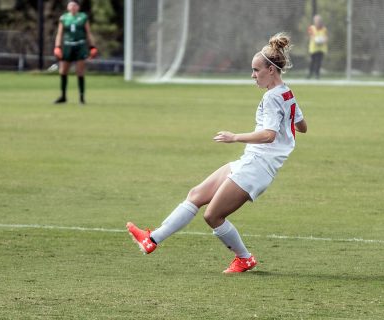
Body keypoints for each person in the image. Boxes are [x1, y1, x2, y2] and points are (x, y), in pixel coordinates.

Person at [126, 32, 307, 273]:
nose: (253, 75)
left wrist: (235, 137)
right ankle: (152, 239)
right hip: (250, 161)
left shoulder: (272, 98)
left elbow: (268, 135)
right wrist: (289, 125)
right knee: (197, 194)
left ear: (271, 70)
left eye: (256, 70)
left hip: (257, 168)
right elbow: (302, 126)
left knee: (212, 216)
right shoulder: (286, 93)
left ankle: (244, 258)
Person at [53, 0, 97, 104]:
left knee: (80, 71)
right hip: (68, 45)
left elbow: (88, 33)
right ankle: (63, 96)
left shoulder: (83, 17)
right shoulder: (64, 18)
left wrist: (92, 46)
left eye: (75, 5)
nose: (73, 7)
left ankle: (81, 97)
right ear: (68, 7)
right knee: (63, 71)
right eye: (71, 5)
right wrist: (57, 47)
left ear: (78, 7)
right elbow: (59, 34)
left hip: (80, 45)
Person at [307, 15, 328, 79]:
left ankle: (317, 75)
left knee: (319, 62)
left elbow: (326, 37)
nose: (318, 22)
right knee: (312, 62)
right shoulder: (311, 28)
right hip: (313, 48)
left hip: (321, 49)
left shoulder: (324, 29)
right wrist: (316, 40)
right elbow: (311, 36)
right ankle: (310, 74)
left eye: (319, 21)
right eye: (316, 20)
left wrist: (323, 40)